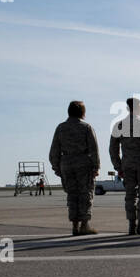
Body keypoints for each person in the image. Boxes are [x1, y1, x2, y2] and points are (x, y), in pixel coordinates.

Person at [48, 100, 100, 235]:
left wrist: (56, 167)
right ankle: (85, 224)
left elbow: (54, 150)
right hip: (83, 163)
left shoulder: (60, 128)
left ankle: (75, 226)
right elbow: (94, 149)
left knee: (72, 195)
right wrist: (96, 166)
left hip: (66, 163)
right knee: (86, 194)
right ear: (82, 113)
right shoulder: (86, 127)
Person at [110, 97, 140, 235]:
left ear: (127, 108)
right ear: (139, 108)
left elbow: (113, 149)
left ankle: (132, 224)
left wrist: (118, 167)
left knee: (130, 195)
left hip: (128, 166)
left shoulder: (119, 125)